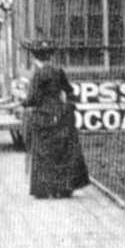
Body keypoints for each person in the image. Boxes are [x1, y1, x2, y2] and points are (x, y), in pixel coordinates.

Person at [22, 39, 89, 199]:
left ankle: (46, 189)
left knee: (44, 152)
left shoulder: (38, 74)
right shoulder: (58, 71)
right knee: (61, 150)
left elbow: (33, 99)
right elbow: (69, 90)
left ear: (35, 58)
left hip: (43, 116)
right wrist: (67, 105)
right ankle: (63, 187)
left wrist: (23, 102)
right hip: (60, 113)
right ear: (50, 56)